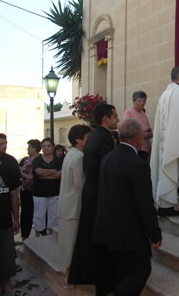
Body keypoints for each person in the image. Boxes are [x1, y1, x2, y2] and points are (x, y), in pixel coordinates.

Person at [93, 119, 162, 296]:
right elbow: (144, 203)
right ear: (138, 137)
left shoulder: (109, 157)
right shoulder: (137, 164)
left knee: (120, 271)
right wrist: (154, 234)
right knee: (141, 270)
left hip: (107, 229)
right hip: (129, 233)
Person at [68, 103, 119, 296]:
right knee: (100, 240)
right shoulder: (105, 138)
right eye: (115, 116)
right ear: (106, 119)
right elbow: (106, 171)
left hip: (91, 192)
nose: (118, 119)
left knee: (89, 237)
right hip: (99, 194)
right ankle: (104, 283)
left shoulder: (93, 136)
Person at [150, 66, 179, 217]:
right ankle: (166, 207)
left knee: (166, 171)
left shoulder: (165, 94)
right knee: (172, 171)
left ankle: (163, 204)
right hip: (175, 141)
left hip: (165, 141)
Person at [57, 125, 92, 284]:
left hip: (65, 203)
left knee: (67, 241)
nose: (89, 140)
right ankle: (69, 275)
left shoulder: (71, 153)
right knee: (71, 242)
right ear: (78, 139)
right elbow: (79, 183)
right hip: (73, 205)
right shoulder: (78, 156)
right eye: (87, 137)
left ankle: (68, 272)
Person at [0, 141, 21, 295]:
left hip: (4, 219)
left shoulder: (8, 167)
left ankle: (5, 281)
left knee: (5, 254)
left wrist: (16, 219)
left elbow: (14, 194)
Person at [31, 138, 62, 236]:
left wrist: (44, 176)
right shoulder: (37, 160)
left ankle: (51, 235)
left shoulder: (58, 160)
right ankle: (37, 235)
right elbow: (38, 172)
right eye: (44, 146)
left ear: (53, 147)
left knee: (53, 215)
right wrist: (53, 172)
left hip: (54, 192)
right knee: (39, 215)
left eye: (48, 146)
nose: (46, 148)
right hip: (39, 193)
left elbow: (60, 174)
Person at [19, 139, 41, 240]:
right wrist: (24, 177)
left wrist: (23, 174)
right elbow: (17, 171)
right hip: (24, 191)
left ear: (35, 148)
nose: (27, 149)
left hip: (37, 191)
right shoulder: (24, 159)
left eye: (29, 147)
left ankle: (39, 235)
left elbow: (32, 177)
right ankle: (24, 236)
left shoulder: (40, 160)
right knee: (25, 214)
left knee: (37, 213)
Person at [122, 91, 153, 160]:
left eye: (144, 101)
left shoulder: (143, 113)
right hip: (136, 148)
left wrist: (150, 134)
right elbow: (126, 130)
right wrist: (142, 134)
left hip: (145, 147)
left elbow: (148, 129)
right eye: (139, 101)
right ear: (134, 101)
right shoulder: (129, 112)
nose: (142, 103)